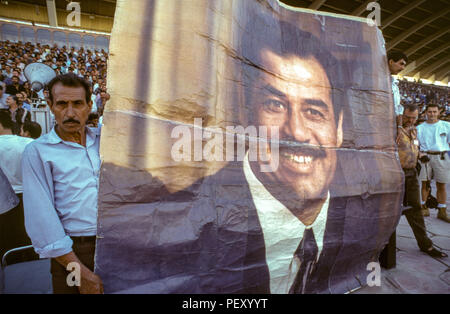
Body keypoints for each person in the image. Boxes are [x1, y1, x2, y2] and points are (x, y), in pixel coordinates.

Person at [101, 21, 398, 294]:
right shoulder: (185, 225)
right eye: (274, 104)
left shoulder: (364, 221)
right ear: (246, 116)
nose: (295, 131)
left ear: (340, 128)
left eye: (314, 111)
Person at [22, 73, 103, 294]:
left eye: (77, 103)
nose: (69, 113)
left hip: (116, 245)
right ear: (50, 105)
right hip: (74, 252)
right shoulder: (37, 151)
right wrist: (80, 273)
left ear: (89, 105)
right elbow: (42, 219)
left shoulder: (106, 140)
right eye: (61, 104)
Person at [396, 104, 447, 257]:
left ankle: (425, 244)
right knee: (387, 211)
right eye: (407, 117)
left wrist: (420, 155)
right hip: (396, 174)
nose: (410, 120)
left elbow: (414, 146)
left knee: (416, 209)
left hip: (411, 174)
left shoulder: (414, 129)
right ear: (401, 115)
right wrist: (399, 123)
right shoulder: (394, 128)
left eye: (414, 118)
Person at [0, 111, 34, 264]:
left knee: (8, 242)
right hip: (30, 198)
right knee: (29, 240)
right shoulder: (29, 143)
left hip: (6, 205)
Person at [417, 104, 450, 223]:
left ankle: (442, 210)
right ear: (425, 112)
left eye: (434, 112)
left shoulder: (446, 126)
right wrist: (420, 154)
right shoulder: (420, 127)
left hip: (441, 156)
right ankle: (423, 207)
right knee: (425, 184)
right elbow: (417, 144)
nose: (432, 114)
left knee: (441, 184)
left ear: (439, 112)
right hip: (425, 156)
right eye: (430, 112)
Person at [387, 51, 408, 127]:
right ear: (391, 62)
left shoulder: (394, 84)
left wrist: (399, 126)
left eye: (404, 65)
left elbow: (398, 107)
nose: (403, 68)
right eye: (401, 64)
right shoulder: (376, 80)